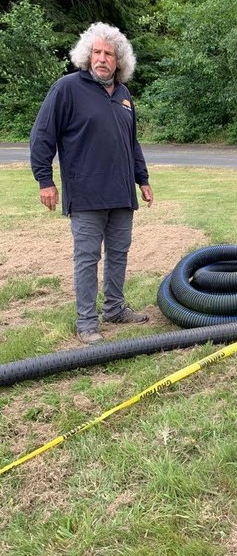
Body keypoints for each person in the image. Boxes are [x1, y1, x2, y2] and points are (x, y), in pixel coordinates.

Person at [30, 22, 154, 345]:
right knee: (87, 257)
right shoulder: (68, 88)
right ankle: (86, 322)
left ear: (119, 60)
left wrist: (143, 179)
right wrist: (45, 179)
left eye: (109, 53)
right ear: (87, 54)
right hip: (85, 194)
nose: (102, 58)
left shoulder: (125, 96)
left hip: (121, 192)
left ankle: (114, 308)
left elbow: (132, 142)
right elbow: (42, 135)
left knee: (119, 252)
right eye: (97, 52)